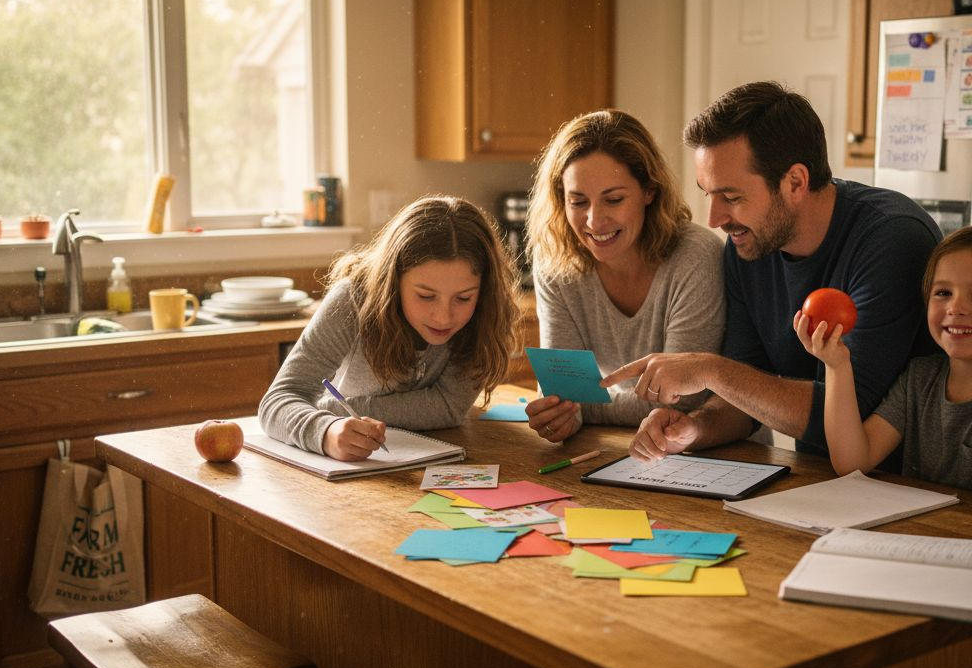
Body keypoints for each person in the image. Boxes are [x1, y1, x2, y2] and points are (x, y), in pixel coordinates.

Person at [601, 81, 941, 463]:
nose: (714, 219)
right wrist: (694, 428)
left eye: (731, 197)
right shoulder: (749, 246)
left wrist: (711, 370)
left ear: (795, 182)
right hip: (824, 483)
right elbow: (747, 395)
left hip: (920, 493)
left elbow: (847, 409)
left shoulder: (892, 240)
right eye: (708, 194)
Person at [797, 226, 972, 514]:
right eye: (943, 292)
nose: (955, 307)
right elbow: (852, 462)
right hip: (924, 539)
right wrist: (837, 365)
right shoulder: (919, 378)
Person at [259, 196, 519, 461]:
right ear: (392, 281)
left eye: (463, 298)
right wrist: (325, 431)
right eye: (425, 296)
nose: (443, 318)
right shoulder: (351, 301)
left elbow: (450, 407)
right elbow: (277, 401)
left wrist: (331, 409)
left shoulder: (486, 313)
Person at [523, 109, 724, 442]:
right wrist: (563, 417)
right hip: (629, 448)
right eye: (577, 202)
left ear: (649, 191)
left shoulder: (695, 256)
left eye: (613, 200)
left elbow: (685, 402)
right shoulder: (555, 262)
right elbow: (564, 395)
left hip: (720, 453)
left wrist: (585, 408)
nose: (594, 221)